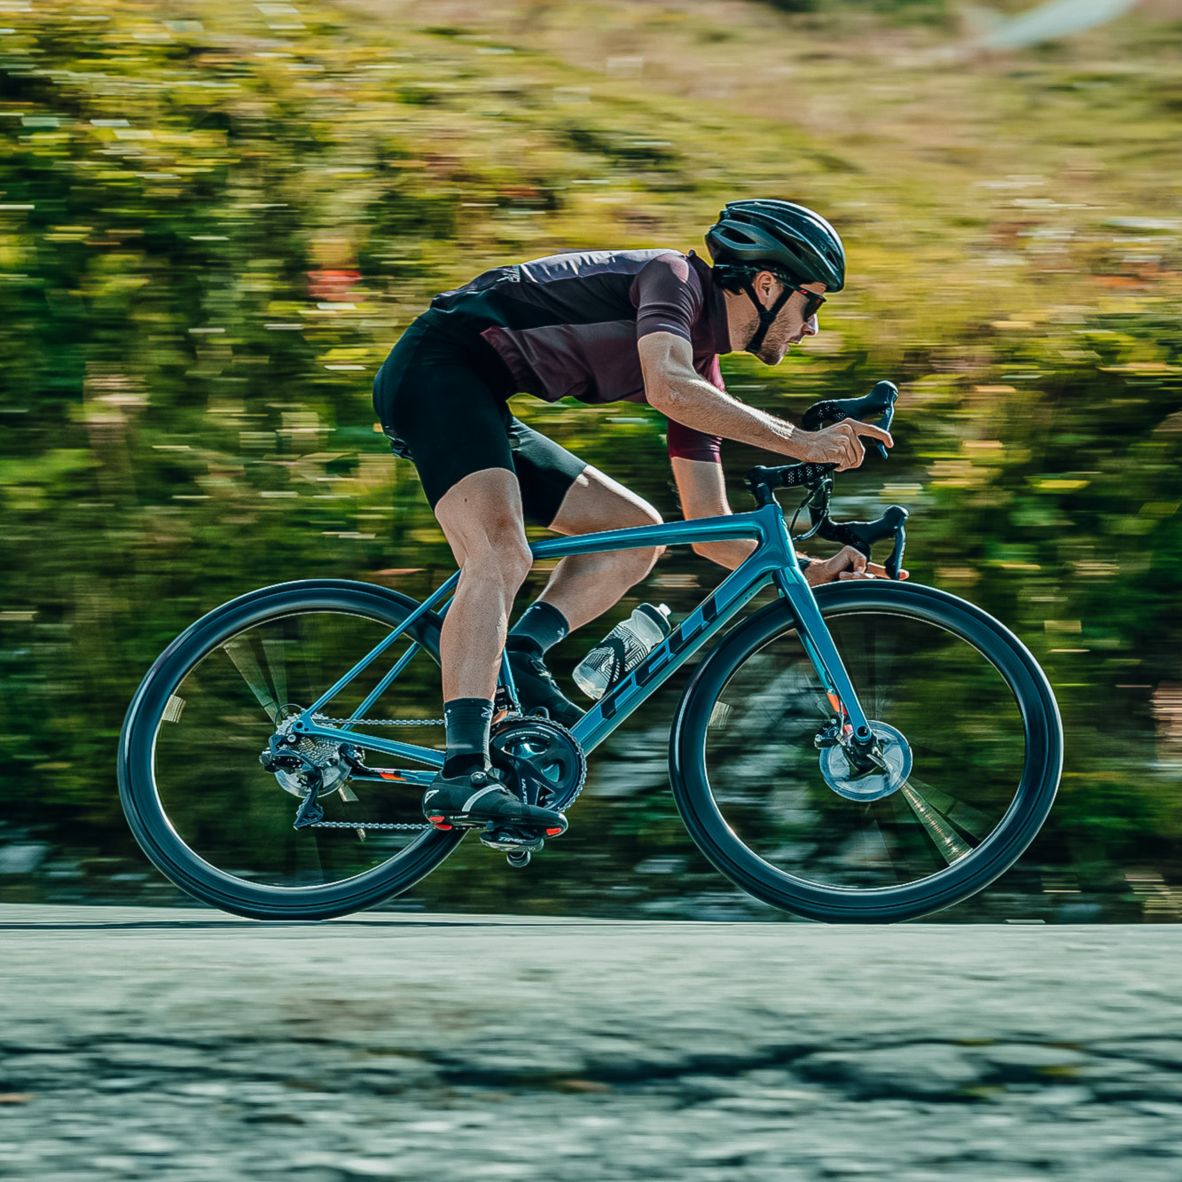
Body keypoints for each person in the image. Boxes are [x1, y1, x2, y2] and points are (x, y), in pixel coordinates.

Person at [371, 198, 896, 837]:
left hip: (480, 396)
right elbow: (667, 387)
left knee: (634, 535)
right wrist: (802, 441)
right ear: (765, 285)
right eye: (810, 304)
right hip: (438, 369)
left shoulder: (701, 370)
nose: (811, 327)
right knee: (501, 555)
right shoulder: (672, 280)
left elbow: (710, 525)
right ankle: (461, 773)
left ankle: (520, 652)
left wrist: (813, 572)